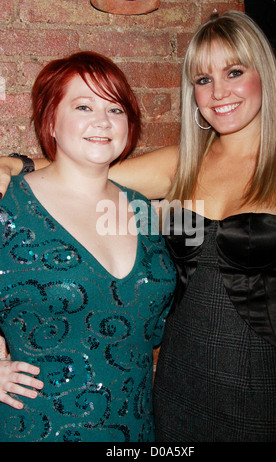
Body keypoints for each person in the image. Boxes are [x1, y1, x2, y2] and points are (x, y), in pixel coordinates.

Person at [0, 10, 276, 442]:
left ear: (265, 77)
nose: (218, 93)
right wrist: (20, 164)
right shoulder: (182, 163)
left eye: (234, 72)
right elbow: (88, 169)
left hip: (263, 389)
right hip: (173, 389)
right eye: (202, 80)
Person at [0, 51, 176, 442]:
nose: (102, 121)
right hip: (36, 426)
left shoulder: (140, 207)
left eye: (115, 109)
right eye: (83, 106)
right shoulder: (8, 204)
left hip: (135, 426)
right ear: (51, 121)